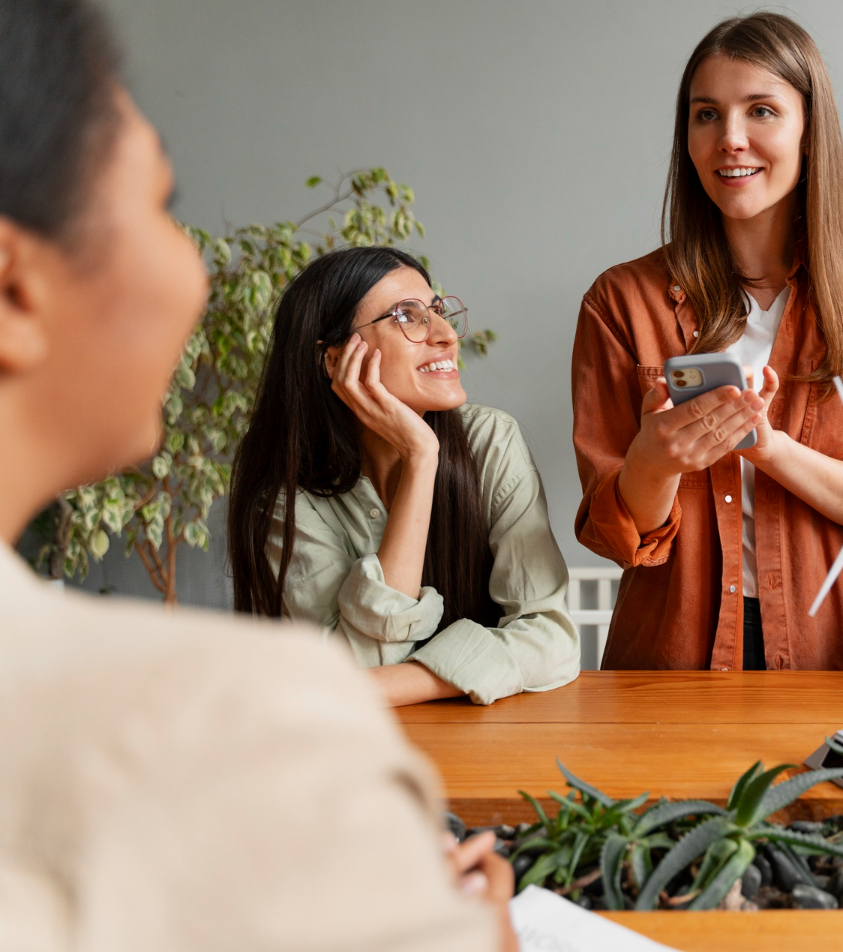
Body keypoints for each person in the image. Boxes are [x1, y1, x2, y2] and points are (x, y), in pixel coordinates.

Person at [0, 0, 514, 948]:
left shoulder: (484, 445)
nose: (194, 269)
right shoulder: (246, 723)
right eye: (159, 203)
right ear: (15, 288)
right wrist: (477, 926)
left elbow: (537, 630)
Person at [571, 12, 843, 671]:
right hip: (665, 663)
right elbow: (617, 534)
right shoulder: (620, 300)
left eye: (761, 111)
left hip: (832, 662)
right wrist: (654, 462)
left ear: (810, 130)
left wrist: (770, 448)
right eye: (706, 115)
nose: (729, 140)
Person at [227, 246, 579, 707]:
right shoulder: (288, 500)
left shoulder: (489, 440)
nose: (447, 335)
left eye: (436, 310)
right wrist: (420, 458)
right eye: (406, 317)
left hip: (490, 744)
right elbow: (357, 665)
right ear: (334, 360)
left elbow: (551, 638)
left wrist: (404, 683)